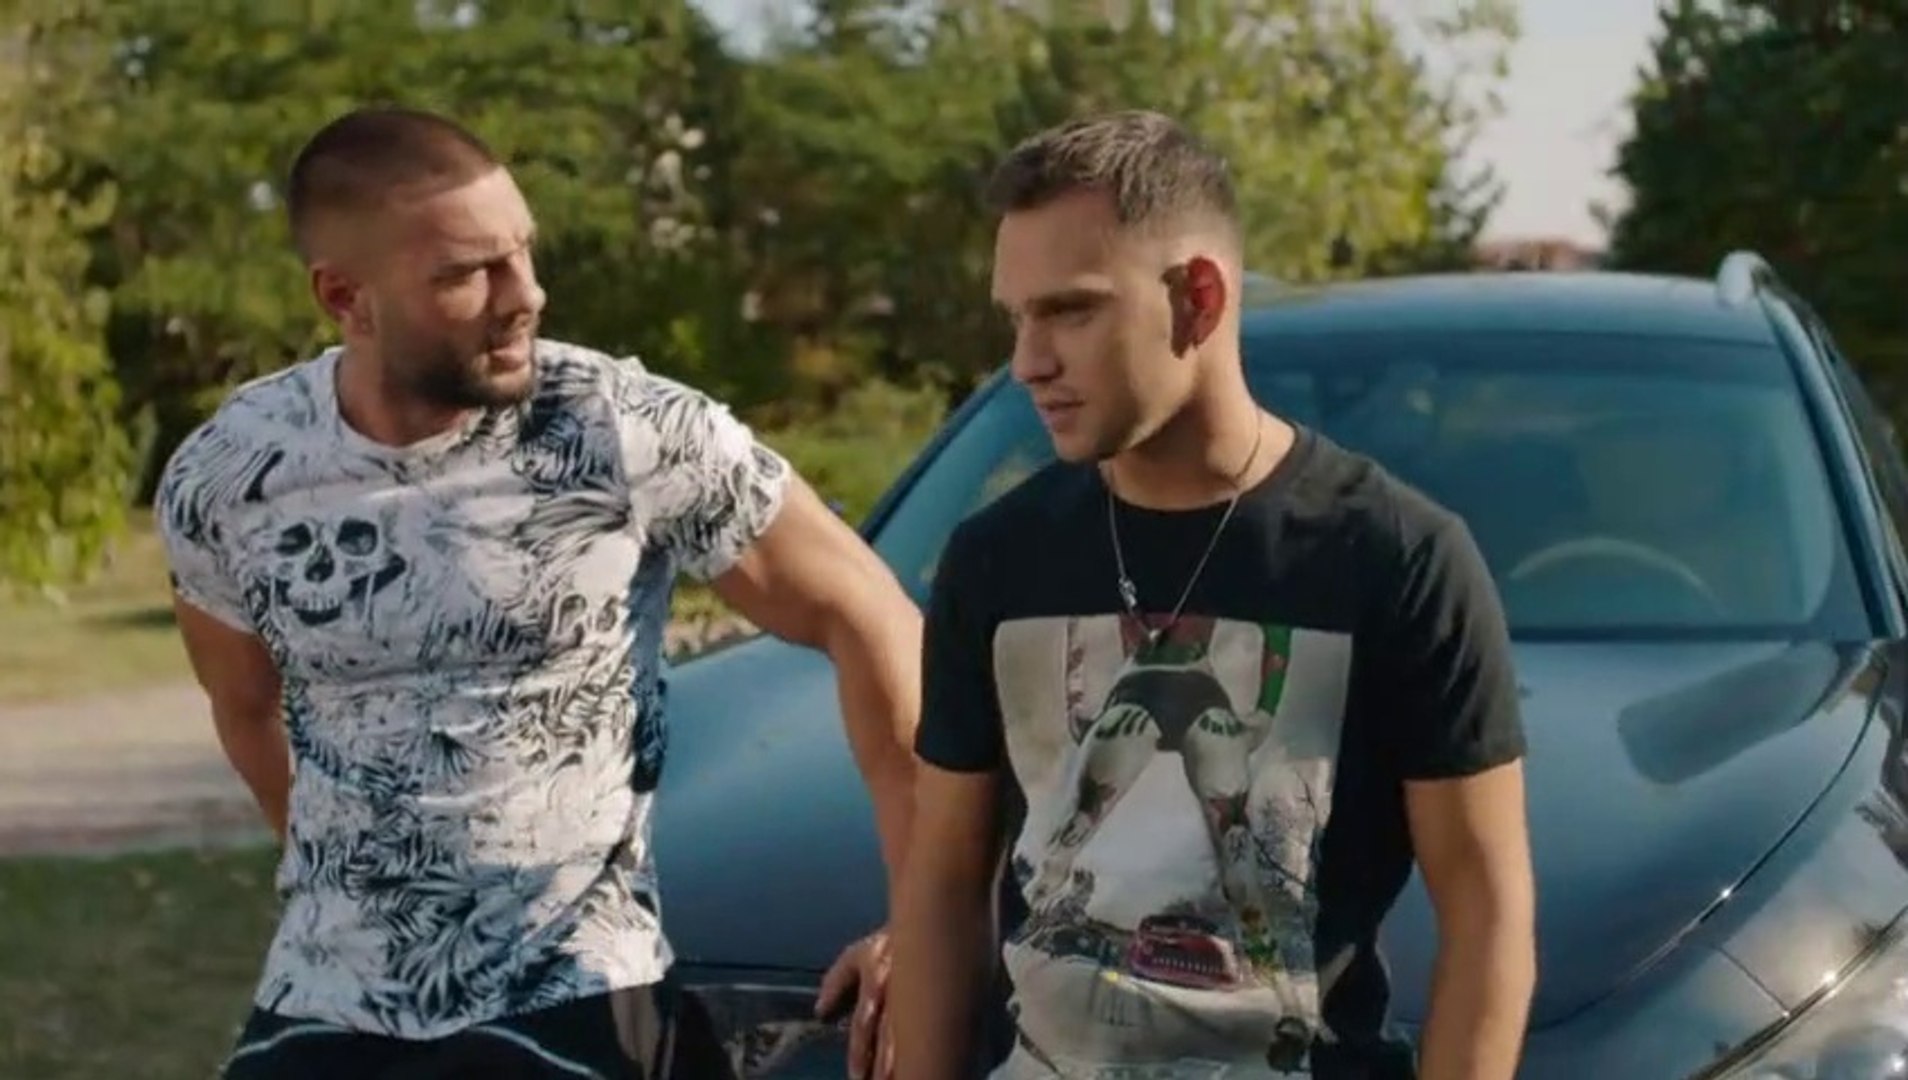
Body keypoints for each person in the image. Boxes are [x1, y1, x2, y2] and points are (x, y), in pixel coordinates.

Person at [154, 105, 914, 1079]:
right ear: (346, 297)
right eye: (468, 273)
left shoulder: (621, 432)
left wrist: (919, 921)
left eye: (523, 252)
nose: (527, 295)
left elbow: (871, 614)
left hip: (573, 990)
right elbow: (245, 705)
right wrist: (359, 888)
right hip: (325, 997)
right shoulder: (230, 475)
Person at [888, 110, 1538, 1078]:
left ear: (1197, 300)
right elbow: (943, 883)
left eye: (1071, 311)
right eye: (1016, 317)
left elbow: (1487, 915)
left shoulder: (1396, 556)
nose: (1028, 361)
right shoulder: (996, 559)